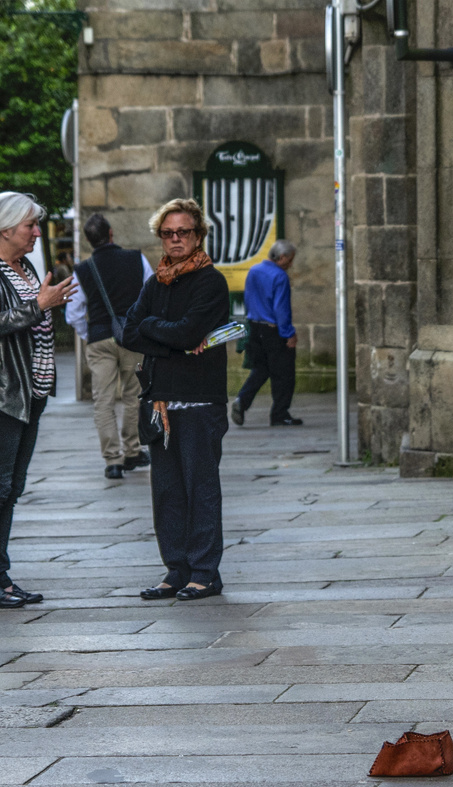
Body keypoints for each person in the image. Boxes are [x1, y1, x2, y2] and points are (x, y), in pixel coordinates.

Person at [0, 192, 75, 611]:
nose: (37, 233)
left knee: (11, 489)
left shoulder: (23, 267)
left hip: (29, 392)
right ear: (6, 229)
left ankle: (0, 577)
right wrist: (39, 304)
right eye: (31, 226)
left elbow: (30, 320)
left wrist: (47, 303)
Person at [122, 197, 230, 602]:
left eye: (183, 232)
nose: (175, 239)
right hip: (159, 399)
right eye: (168, 233)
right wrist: (164, 332)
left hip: (200, 401)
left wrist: (157, 331)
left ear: (198, 234)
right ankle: (176, 569)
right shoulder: (156, 282)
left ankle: (204, 572)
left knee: (200, 487)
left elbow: (189, 332)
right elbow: (129, 332)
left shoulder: (210, 282)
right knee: (167, 489)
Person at [64, 213, 154, 480]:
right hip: (132, 337)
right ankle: (132, 450)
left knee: (102, 401)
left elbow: (74, 314)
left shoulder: (83, 269)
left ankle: (112, 460)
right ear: (112, 233)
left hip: (100, 339)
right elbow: (150, 294)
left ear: (90, 241)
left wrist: (89, 334)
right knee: (133, 395)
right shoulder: (136, 259)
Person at [232, 239, 300, 427]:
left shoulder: (254, 270)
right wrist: (289, 334)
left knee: (261, 369)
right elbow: (281, 309)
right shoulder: (280, 276)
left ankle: (242, 400)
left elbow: (248, 298)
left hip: (254, 327)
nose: (291, 264)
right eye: (290, 260)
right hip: (273, 330)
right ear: (283, 257)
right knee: (284, 373)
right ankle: (280, 414)